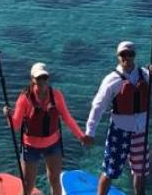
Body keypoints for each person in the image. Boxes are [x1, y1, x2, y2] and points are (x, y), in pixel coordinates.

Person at [85, 41, 152, 195]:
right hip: (119, 131)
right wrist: (90, 132)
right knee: (110, 170)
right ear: (118, 57)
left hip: (141, 131)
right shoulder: (112, 80)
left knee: (140, 172)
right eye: (123, 54)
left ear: (134, 56)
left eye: (130, 54)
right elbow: (98, 106)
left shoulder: (146, 75)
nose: (126, 58)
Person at [5, 62, 92, 195]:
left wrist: (81, 136)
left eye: (44, 78)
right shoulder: (24, 98)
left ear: (48, 78)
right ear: (32, 79)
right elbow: (15, 126)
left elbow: (67, 118)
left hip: (53, 145)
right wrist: (9, 116)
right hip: (30, 146)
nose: (41, 81)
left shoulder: (56, 95)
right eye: (38, 78)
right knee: (28, 184)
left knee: (55, 180)